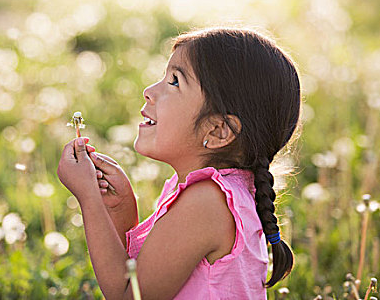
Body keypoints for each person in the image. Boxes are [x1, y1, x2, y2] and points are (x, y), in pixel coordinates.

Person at [57, 27, 302, 299]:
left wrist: (89, 198)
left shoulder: (206, 203)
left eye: (174, 81)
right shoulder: (221, 193)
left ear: (218, 131)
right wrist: (122, 205)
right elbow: (142, 274)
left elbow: (130, 295)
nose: (149, 90)